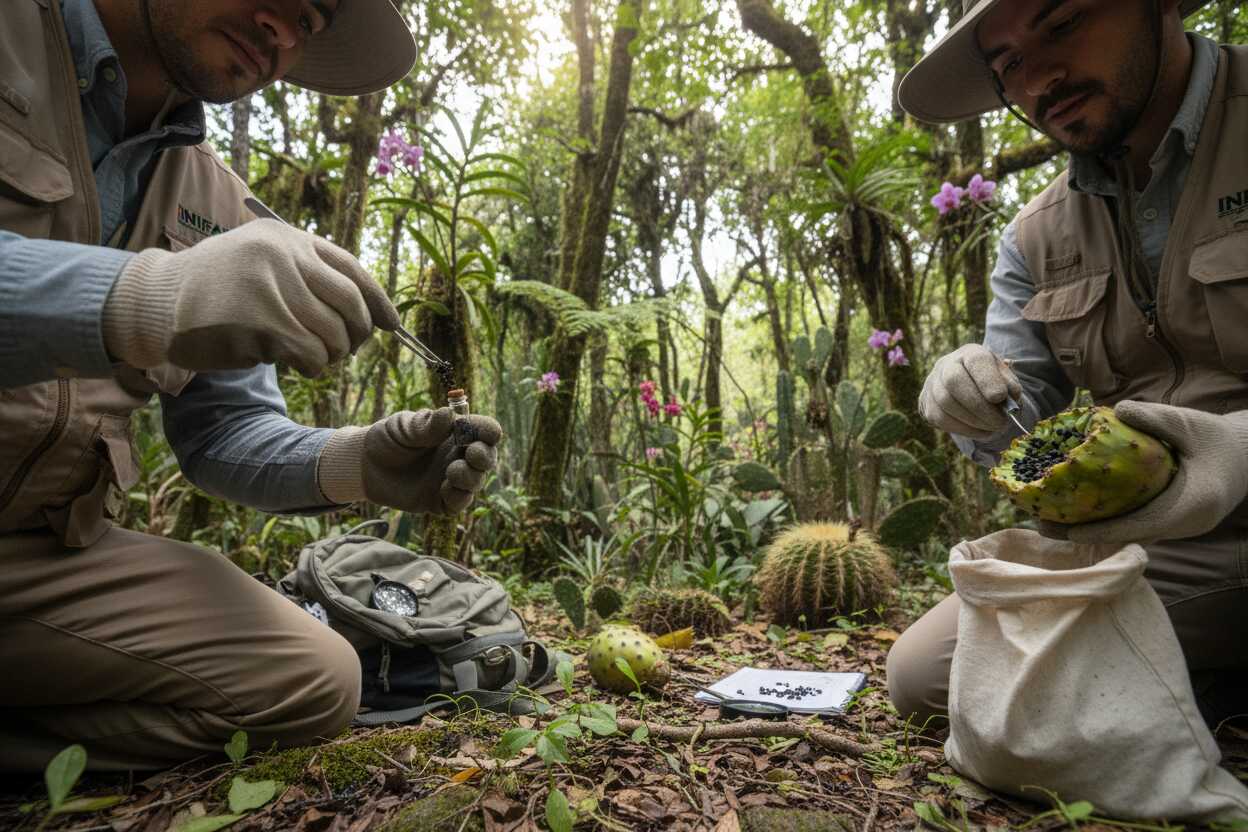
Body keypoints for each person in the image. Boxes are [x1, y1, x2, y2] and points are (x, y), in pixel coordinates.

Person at [0, 0, 501, 771]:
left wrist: (360, 463)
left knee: (313, 678)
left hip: (38, 562)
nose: (286, 30)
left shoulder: (211, 199)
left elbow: (224, 431)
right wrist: (155, 297)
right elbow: (157, 300)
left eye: (315, 20)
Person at [888, 0, 1248, 728]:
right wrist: (966, 398)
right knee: (928, 677)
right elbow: (1022, 426)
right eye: (1009, 64)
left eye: (1062, 23)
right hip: (1145, 548)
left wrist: (1240, 450)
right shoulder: (1034, 237)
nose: (1040, 76)